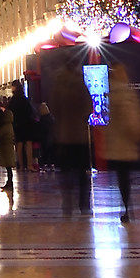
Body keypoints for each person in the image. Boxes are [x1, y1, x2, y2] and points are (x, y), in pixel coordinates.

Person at [45, 62, 93, 218]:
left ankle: (67, 202)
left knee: (65, 172)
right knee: (82, 173)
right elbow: (89, 107)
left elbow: (53, 108)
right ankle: (84, 204)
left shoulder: (58, 85)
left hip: (63, 135)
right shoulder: (81, 83)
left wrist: (62, 120)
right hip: (80, 136)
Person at [102, 64, 140, 216]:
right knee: (125, 176)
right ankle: (128, 207)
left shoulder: (111, 94)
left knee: (122, 177)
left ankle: (127, 206)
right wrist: (137, 133)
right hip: (126, 142)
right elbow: (131, 118)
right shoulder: (126, 93)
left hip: (115, 143)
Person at [0, 88, 17, 196]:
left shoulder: (5, 126)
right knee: (8, 167)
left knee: (8, 167)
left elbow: (1, 135)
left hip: (6, 149)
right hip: (8, 149)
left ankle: (9, 182)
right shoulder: (10, 125)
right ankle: (9, 182)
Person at [9, 81, 38, 179]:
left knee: (19, 145)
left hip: (17, 125)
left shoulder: (13, 100)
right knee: (28, 144)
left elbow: (10, 112)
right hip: (27, 124)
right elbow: (30, 111)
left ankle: (21, 166)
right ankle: (29, 165)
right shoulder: (24, 99)